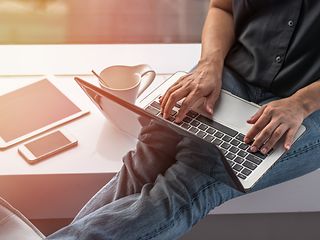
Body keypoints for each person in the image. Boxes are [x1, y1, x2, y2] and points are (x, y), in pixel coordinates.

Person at [47, 0, 320, 239]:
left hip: (310, 107)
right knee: (152, 151)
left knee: (195, 179)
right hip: (233, 72)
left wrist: (302, 103)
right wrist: (208, 64)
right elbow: (222, 7)